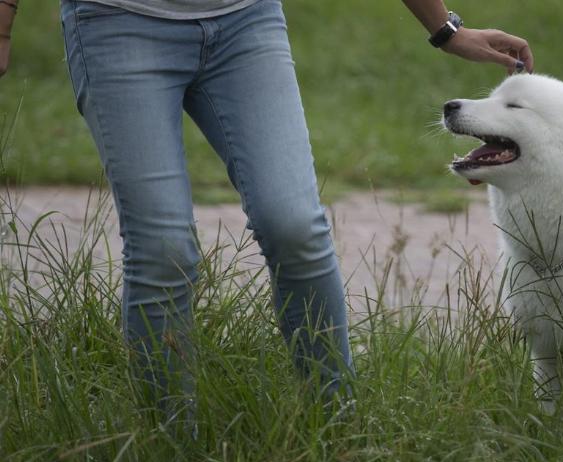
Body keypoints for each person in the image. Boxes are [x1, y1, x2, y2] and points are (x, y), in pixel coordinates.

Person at [0, 0, 533, 423]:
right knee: (163, 249)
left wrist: (445, 28)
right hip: (115, 24)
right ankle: (169, 441)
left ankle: (336, 426)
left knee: (295, 225)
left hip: (244, 24)